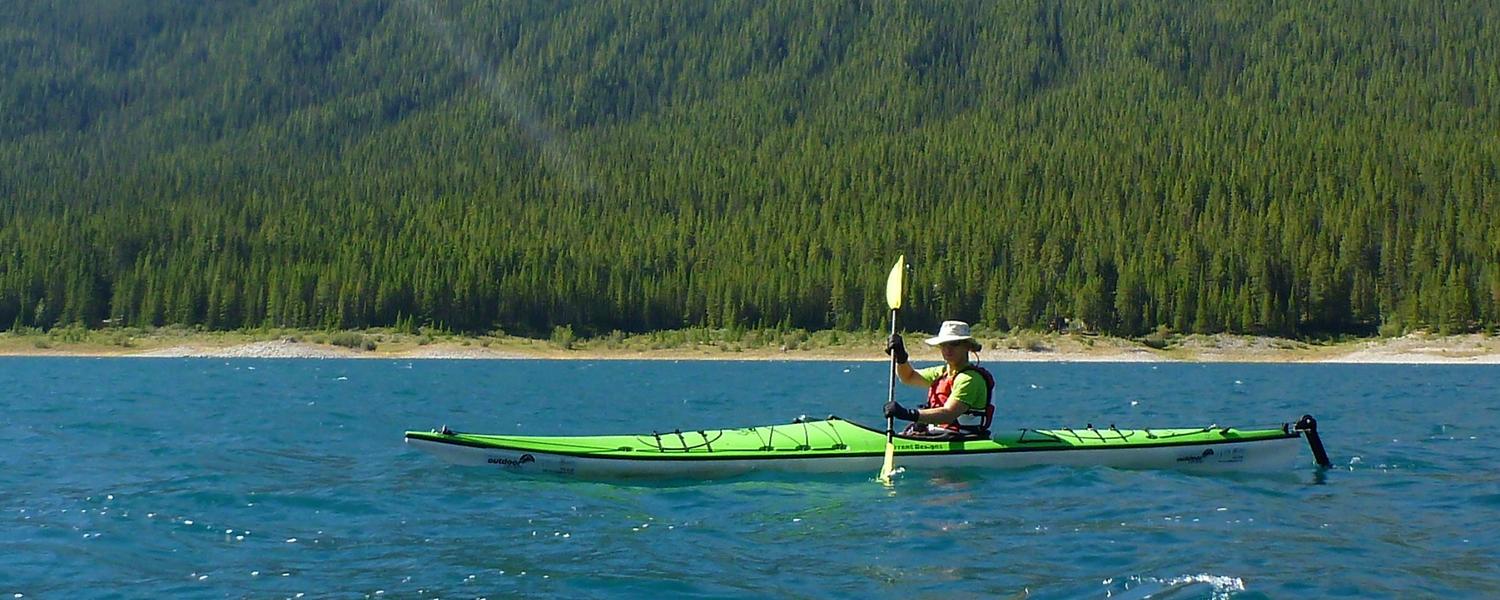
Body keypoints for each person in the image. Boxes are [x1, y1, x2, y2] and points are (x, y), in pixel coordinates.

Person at [883, 320, 995, 440]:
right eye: (944, 344)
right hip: (939, 434)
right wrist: (901, 357)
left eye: (954, 344)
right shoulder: (941, 372)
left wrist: (907, 414)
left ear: (967, 346)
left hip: (962, 437)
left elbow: (948, 414)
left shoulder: (970, 379)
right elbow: (908, 377)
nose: (948, 350)